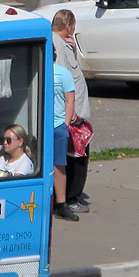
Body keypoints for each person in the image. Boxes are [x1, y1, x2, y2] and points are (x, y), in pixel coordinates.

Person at [51, 9, 92, 214]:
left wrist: (73, 51)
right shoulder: (56, 44)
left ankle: (70, 195)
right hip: (70, 115)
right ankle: (70, 197)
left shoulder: (62, 44)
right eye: (73, 26)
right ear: (68, 25)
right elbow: (60, 80)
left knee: (75, 154)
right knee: (75, 156)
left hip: (72, 112)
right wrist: (71, 112)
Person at [52, 61, 78, 221]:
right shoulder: (35, 67)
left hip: (57, 126)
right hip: (36, 125)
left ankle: (61, 204)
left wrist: (65, 125)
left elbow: (70, 100)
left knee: (59, 166)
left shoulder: (62, 73)